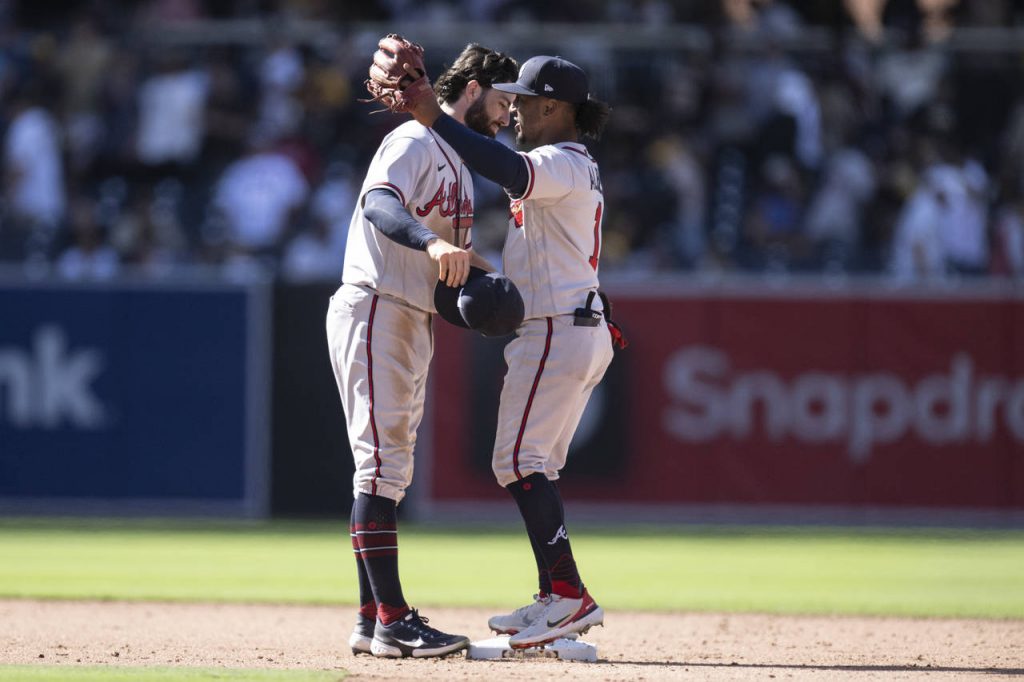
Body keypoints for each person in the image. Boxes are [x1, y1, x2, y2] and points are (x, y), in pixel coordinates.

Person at [403, 54, 620, 649]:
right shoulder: (571, 164)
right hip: (574, 324)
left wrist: (431, 115)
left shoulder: (560, 161)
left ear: (552, 106)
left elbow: (502, 165)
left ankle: (569, 596)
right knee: (534, 466)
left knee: (518, 463)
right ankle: (557, 596)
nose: (515, 111)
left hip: (558, 328)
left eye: (523, 101)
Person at [325, 41, 519, 659]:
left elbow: (450, 268)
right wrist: (434, 246)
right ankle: (393, 621)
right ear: (473, 89)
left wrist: (486, 285)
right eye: (503, 100)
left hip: (410, 314)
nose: (508, 114)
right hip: (375, 304)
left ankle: (369, 619)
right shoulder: (413, 140)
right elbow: (378, 204)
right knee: (380, 465)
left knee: (390, 469)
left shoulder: (458, 164)